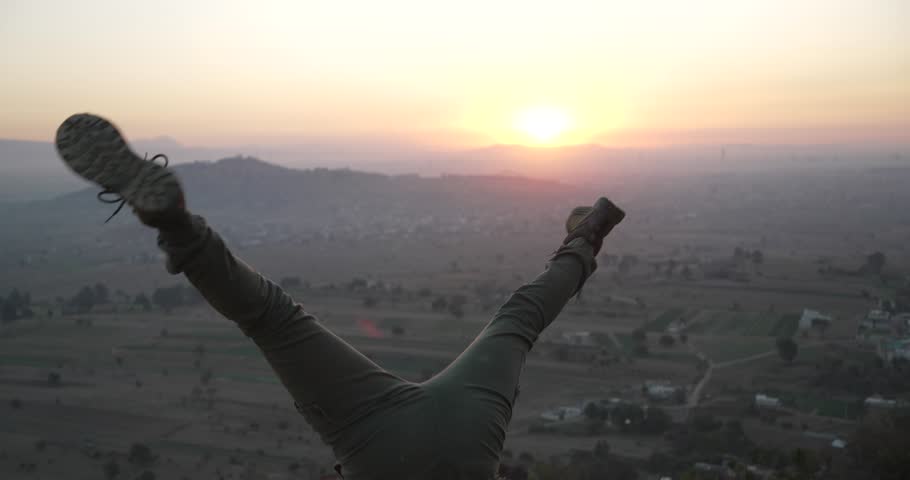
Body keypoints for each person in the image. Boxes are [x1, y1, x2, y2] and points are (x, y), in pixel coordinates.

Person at [55, 113, 625, 480]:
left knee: (518, 321)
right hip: (379, 446)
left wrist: (582, 245)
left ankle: (587, 234)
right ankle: (177, 229)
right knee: (271, 323)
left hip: (466, 429)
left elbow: (527, 317)